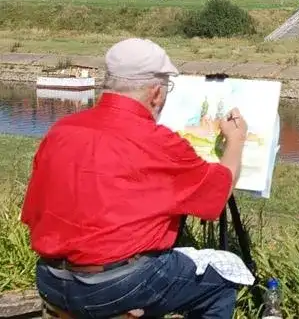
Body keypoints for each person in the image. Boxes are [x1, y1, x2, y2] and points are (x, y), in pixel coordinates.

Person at [20, 38, 249, 319]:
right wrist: (236, 141)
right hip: (117, 286)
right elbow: (217, 193)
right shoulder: (156, 141)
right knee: (222, 283)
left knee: (143, 268)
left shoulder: (61, 130)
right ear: (155, 94)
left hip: (51, 279)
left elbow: (33, 215)